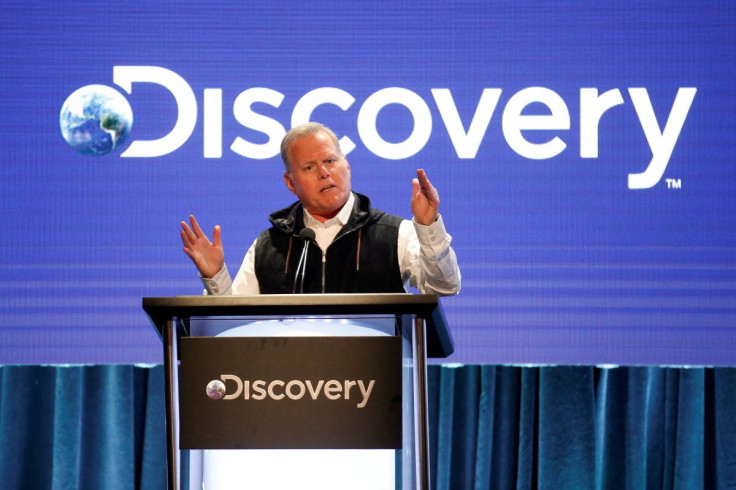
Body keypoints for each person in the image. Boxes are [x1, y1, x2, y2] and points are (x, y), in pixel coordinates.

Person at [180, 122, 460, 296]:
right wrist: (215, 276)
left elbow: (444, 287)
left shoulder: (396, 233)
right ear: (290, 182)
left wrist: (428, 226)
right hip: (287, 384)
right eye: (309, 167)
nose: (324, 173)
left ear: (347, 165)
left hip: (374, 382)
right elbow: (235, 326)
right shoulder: (270, 245)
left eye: (330, 161)